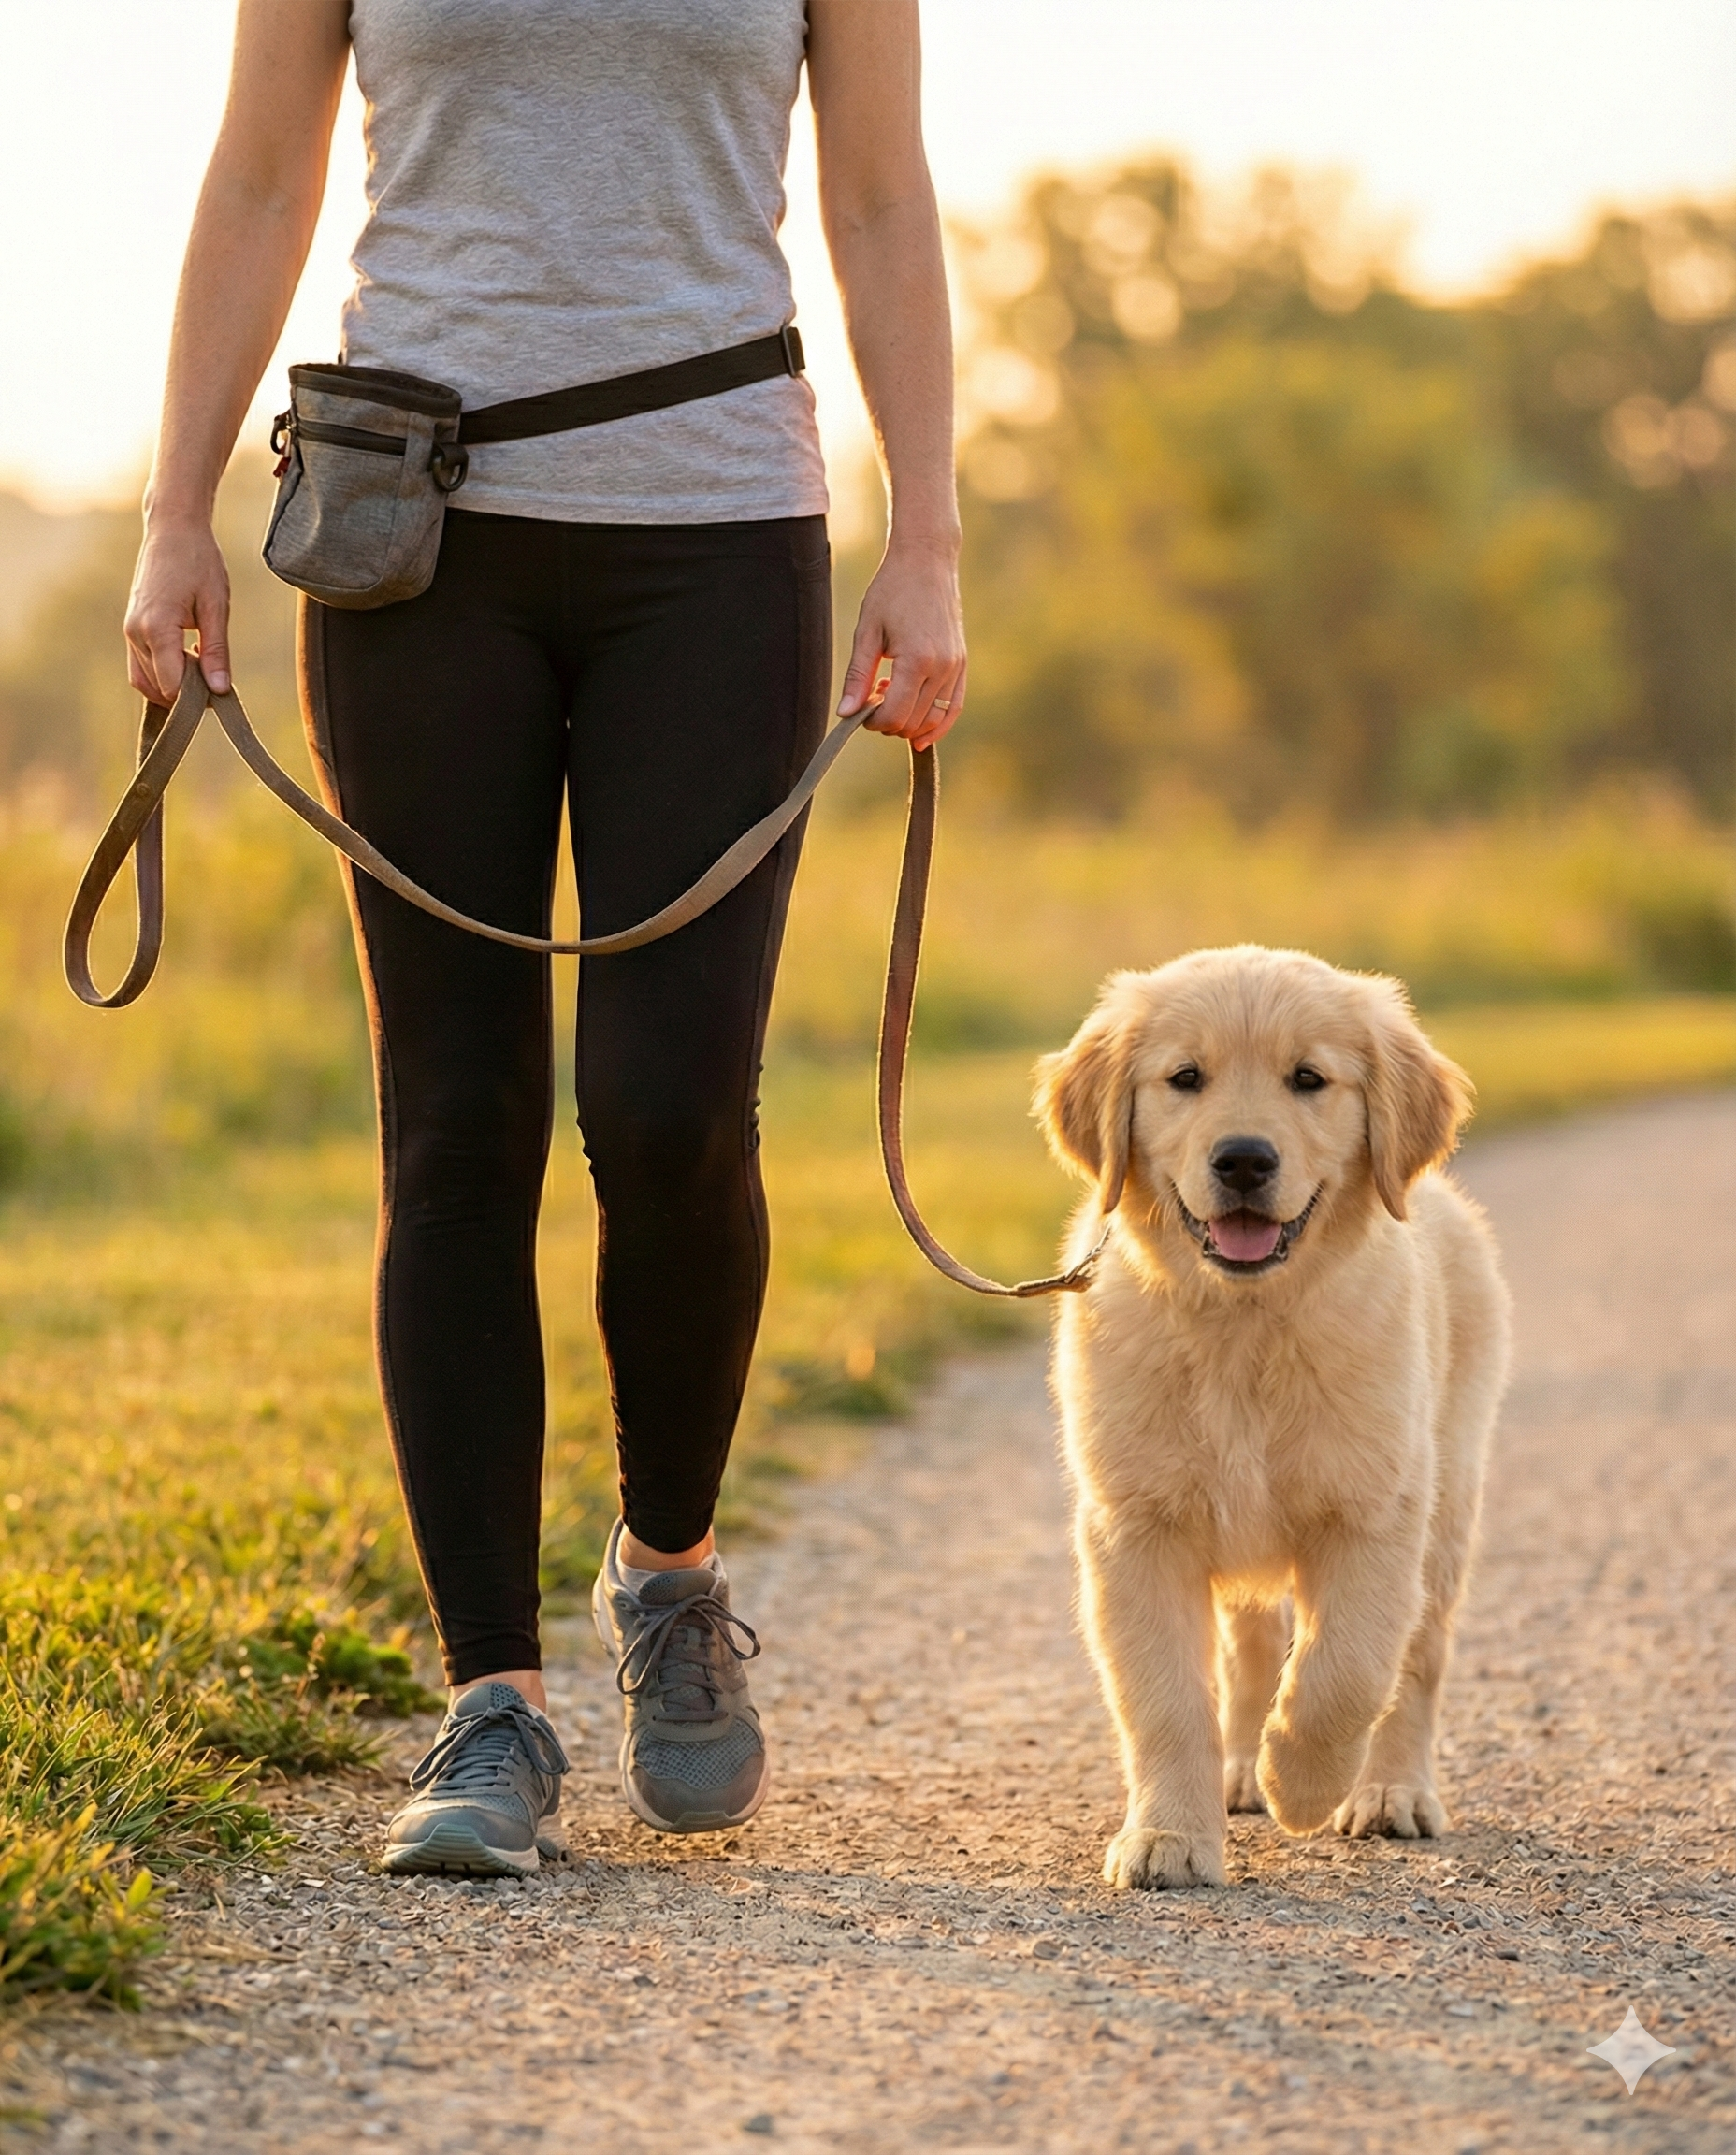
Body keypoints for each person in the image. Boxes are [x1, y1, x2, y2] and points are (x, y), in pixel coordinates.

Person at [124, 0, 964, 1875]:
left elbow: (884, 198)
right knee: (457, 1120)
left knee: (672, 1113)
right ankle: (489, 1703)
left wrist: (930, 539)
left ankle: (668, 1568)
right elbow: (259, 172)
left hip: (720, 522)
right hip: (410, 533)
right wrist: (174, 514)